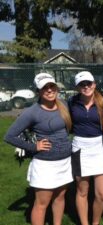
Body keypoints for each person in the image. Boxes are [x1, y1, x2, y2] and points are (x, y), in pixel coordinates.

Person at [4, 73, 73, 225]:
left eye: (51, 86)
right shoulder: (32, 112)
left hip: (65, 162)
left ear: (56, 88)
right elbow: (9, 136)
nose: (49, 90)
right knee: (42, 203)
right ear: (38, 91)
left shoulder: (64, 104)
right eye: (44, 88)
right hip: (45, 165)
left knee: (60, 198)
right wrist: (33, 147)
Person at [68, 71, 103, 225]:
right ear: (77, 87)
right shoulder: (71, 102)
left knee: (101, 194)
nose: (86, 87)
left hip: (99, 148)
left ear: (94, 84)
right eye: (82, 84)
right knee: (82, 191)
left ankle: (95, 222)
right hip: (80, 148)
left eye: (88, 83)